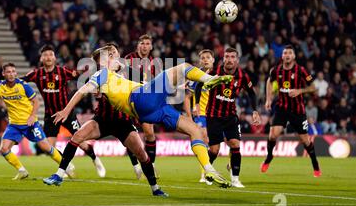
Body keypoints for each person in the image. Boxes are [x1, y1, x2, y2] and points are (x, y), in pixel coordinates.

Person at [45, 44, 234, 189]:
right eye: (113, 55)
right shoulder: (102, 74)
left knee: (195, 131)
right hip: (140, 100)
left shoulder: (120, 76)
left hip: (150, 108)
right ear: (108, 58)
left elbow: (150, 86)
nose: (118, 58)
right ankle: (210, 80)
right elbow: (82, 91)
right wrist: (66, 110)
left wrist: (175, 87)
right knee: (183, 66)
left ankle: (208, 169)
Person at [22, 45, 105, 177]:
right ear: (41, 58)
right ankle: (67, 166)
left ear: (55, 58)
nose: (48, 57)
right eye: (45, 55)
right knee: (49, 148)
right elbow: (20, 81)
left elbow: (78, 74)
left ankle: (95, 160)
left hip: (67, 113)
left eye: (50, 54)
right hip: (50, 115)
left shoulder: (62, 72)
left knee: (82, 144)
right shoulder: (36, 74)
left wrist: (90, 70)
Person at [0, 63, 70, 180]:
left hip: (29, 123)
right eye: (8, 72)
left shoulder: (23, 86)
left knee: (45, 147)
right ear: (3, 74)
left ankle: (65, 167)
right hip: (14, 125)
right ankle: (22, 171)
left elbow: (37, 102)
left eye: (13, 71)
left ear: (16, 73)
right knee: (4, 149)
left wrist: (32, 116)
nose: (11, 74)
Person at [197, 47, 261, 188]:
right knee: (214, 150)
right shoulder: (214, 72)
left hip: (231, 116)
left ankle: (235, 179)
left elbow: (252, 92)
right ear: (223, 59)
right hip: (213, 115)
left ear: (237, 60)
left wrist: (255, 111)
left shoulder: (242, 76)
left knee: (235, 145)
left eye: (233, 57)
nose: (230, 59)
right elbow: (199, 85)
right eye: (227, 56)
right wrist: (196, 104)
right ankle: (208, 172)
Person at [262, 45, 321, 177]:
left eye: (290, 53)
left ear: (294, 56)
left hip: (297, 111)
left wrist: (300, 90)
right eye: (285, 53)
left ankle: (315, 164)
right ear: (282, 56)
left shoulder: (301, 70)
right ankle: (269, 157)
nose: (287, 55)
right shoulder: (276, 70)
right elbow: (269, 81)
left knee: (305, 141)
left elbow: (314, 87)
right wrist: (268, 99)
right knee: (272, 135)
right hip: (281, 108)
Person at [124, 34, 160, 178]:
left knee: (150, 133)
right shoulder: (128, 59)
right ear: (138, 45)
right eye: (142, 43)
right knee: (129, 136)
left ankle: (151, 165)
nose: (145, 46)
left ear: (151, 47)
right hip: (128, 101)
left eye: (147, 44)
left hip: (145, 102)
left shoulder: (154, 62)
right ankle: (136, 166)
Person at [184, 49, 214, 183]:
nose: (205, 60)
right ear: (199, 60)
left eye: (208, 57)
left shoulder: (219, 74)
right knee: (205, 140)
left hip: (218, 114)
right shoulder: (196, 76)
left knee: (229, 142)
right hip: (201, 114)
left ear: (213, 59)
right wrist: (189, 117)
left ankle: (231, 165)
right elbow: (187, 97)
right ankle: (205, 173)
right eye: (203, 58)